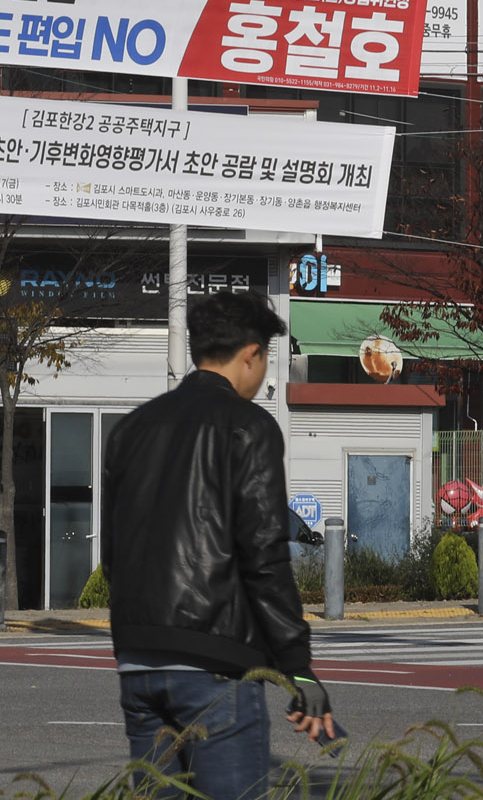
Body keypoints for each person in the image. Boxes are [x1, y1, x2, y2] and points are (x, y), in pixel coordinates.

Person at [102, 292, 338, 798]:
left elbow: (113, 556)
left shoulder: (130, 430)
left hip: (138, 662)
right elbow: (264, 555)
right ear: (251, 353)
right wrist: (297, 668)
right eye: (267, 358)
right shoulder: (249, 427)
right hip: (214, 666)